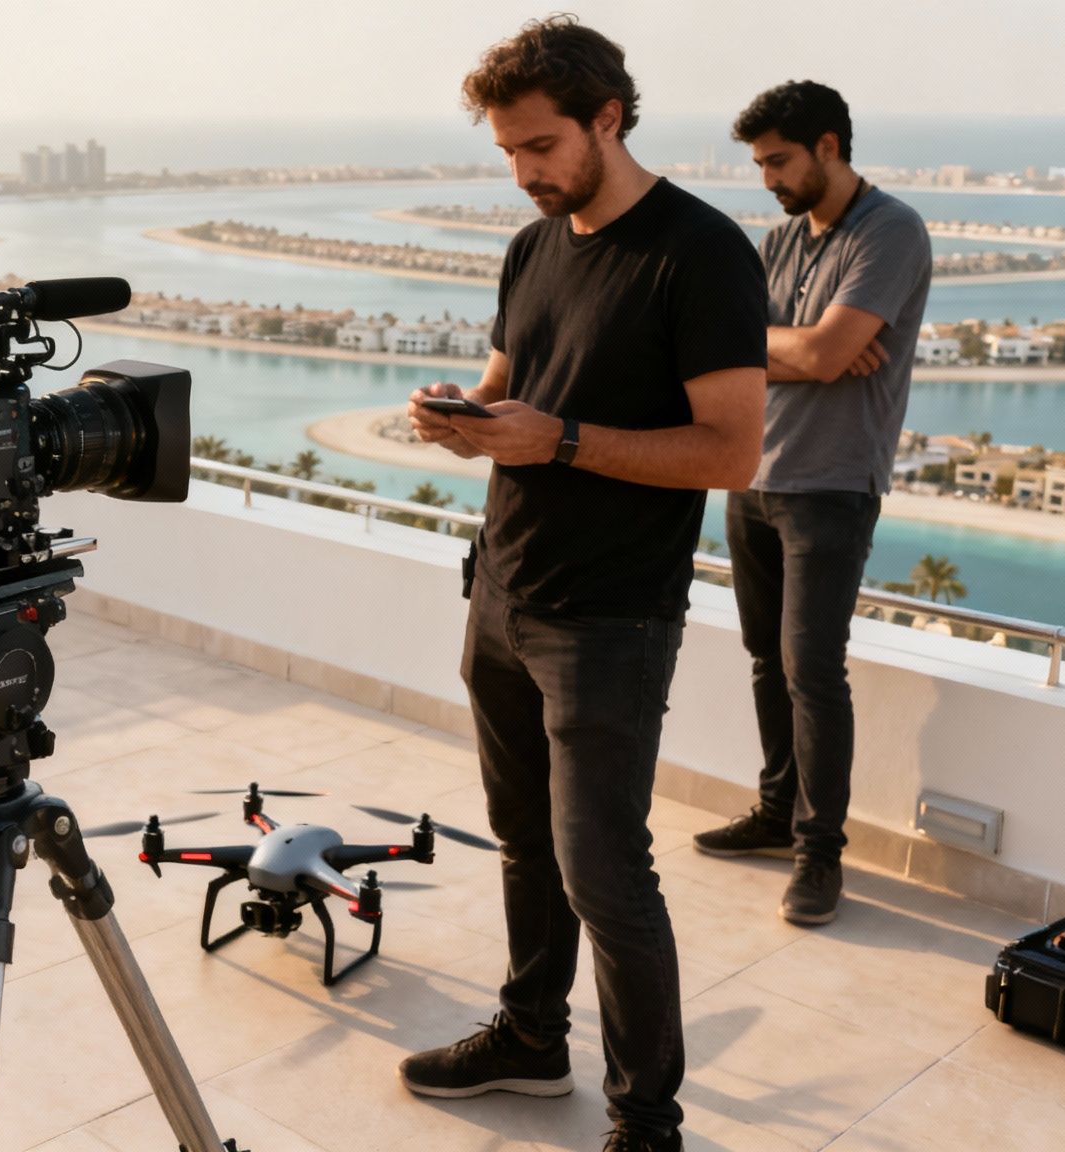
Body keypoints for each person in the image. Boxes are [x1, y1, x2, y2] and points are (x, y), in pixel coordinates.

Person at [395, 18, 767, 1152]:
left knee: (605, 873)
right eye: (507, 152)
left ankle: (644, 1120)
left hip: (610, 618)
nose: (524, 173)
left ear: (608, 118)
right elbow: (516, 387)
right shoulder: (533, 242)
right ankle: (527, 1036)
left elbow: (726, 455)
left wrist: (550, 441)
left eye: (542, 146)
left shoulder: (700, 254)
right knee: (521, 842)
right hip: (501, 590)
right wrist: (464, 420)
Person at [693, 82, 932, 926]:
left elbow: (828, 355)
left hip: (832, 483)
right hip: (753, 475)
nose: (767, 179)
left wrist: (816, 350)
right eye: (759, 163)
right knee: (766, 661)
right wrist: (806, 350)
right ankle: (772, 812)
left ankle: (818, 852)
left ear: (829, 146)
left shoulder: (891, 230)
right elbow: (732, 348)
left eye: (779, 160)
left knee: (812, 671)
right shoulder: (782, 237)